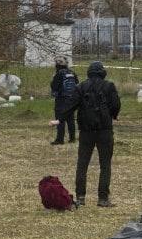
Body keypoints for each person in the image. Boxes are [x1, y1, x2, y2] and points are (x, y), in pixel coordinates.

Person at [59, 61, 121, 207]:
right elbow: (116, 105)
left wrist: (59, 119)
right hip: (105, 131)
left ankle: (80, 197)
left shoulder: (80, 87)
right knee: (105, 165)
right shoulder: (109, 86)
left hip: (86, 131)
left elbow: (70, 105)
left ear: (89, 72)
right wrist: (113, 114)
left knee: (82, 164)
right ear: (102, 72)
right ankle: (103, 198)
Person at [50, 56, 78, 145]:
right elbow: (77, 84)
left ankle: (60, 139)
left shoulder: (58, 74)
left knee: (60, 118)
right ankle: (72, 138)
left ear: (57, 65)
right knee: (70, 118)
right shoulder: (72, 73)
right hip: (71, 99)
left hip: (61, 99)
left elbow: (54, 86)